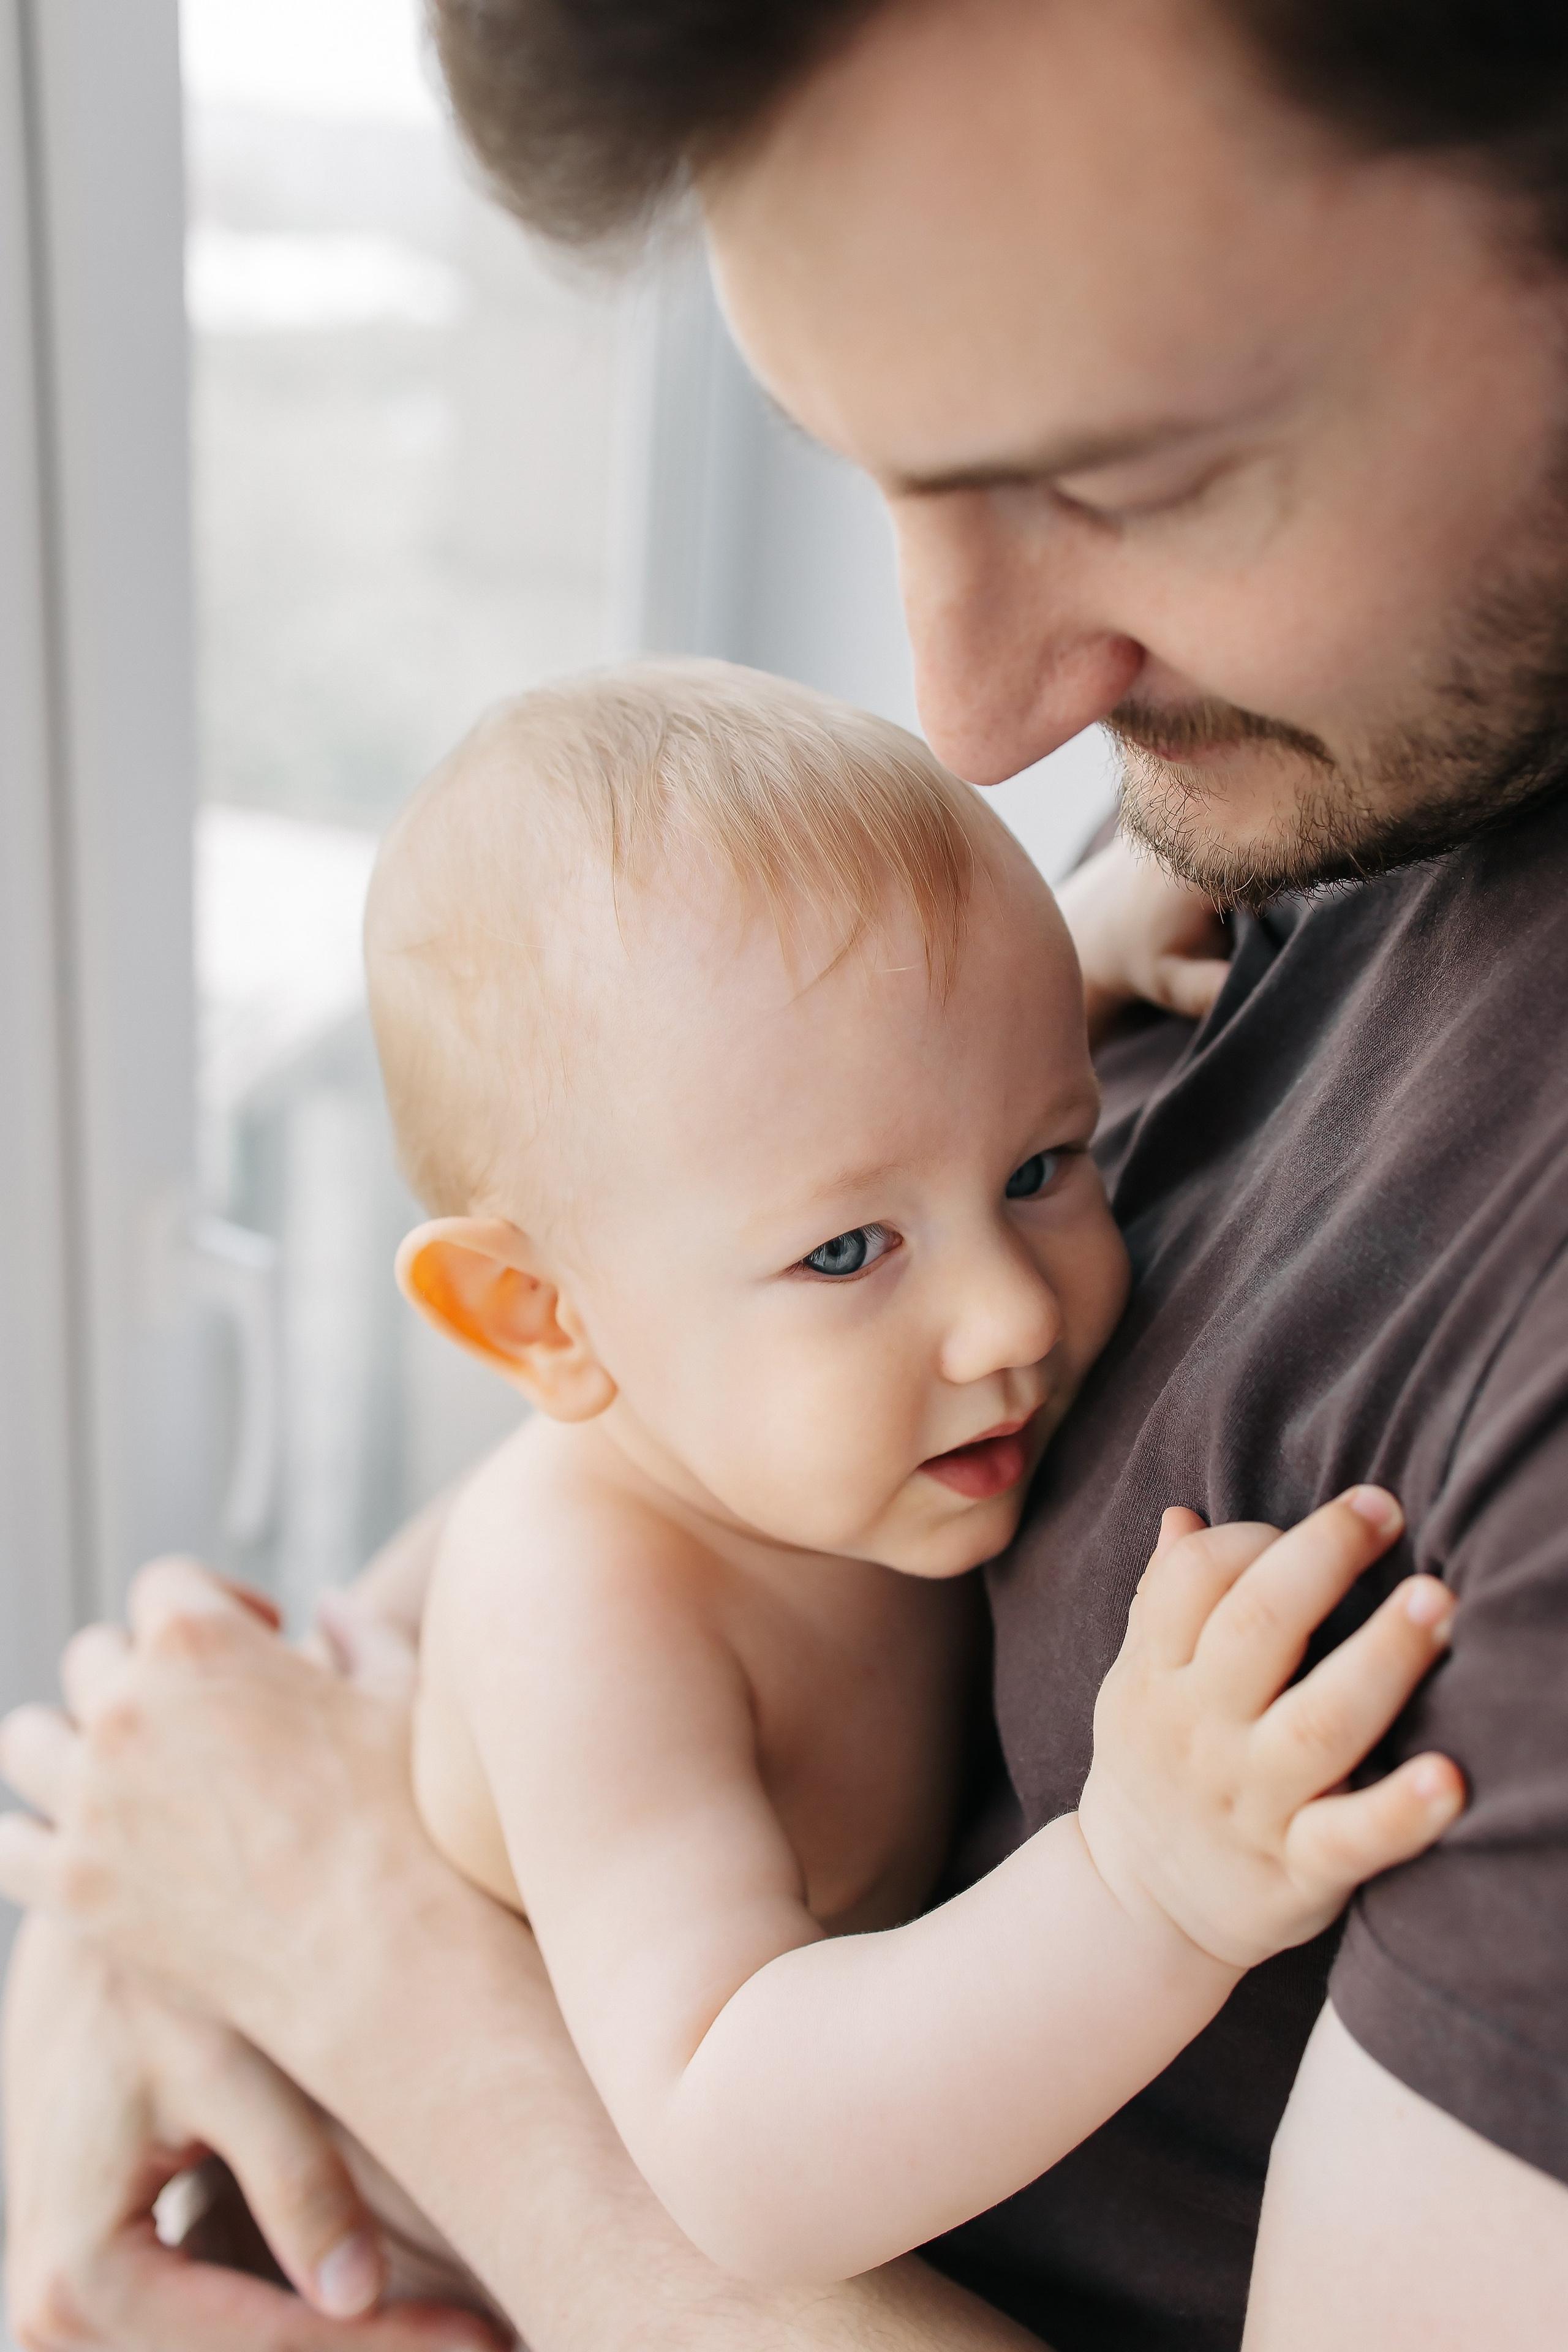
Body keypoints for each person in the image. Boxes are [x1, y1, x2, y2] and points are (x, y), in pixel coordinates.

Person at [4, 2, 1568, 2346]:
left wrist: (327, 1915)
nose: (986, 711)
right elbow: (723, 2088)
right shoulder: (1293, 784)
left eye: (1125, 476)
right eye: (877, 475)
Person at [363, 659, 1456, 2285]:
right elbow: (740, 2155)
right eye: (850, 1250)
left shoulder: (812, 1343)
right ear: (543, 1318)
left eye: (1038, 1166)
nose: (1008, 1311)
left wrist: (1070, 958)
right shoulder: (579, 1598)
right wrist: (1145, 1885)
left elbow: (887, 1092)